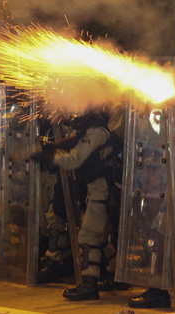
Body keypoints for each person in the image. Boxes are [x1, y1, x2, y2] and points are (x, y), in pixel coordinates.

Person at [34, 108, 117, 301]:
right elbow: (72, 141)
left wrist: (50, 157)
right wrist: (51, 148)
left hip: (102, 189)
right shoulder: (90, 130)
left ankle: (89, 285)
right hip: (94, 189)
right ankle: (115, 275)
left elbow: (74, 159)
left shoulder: (97, 132)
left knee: (88, 236)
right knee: (100, 238)